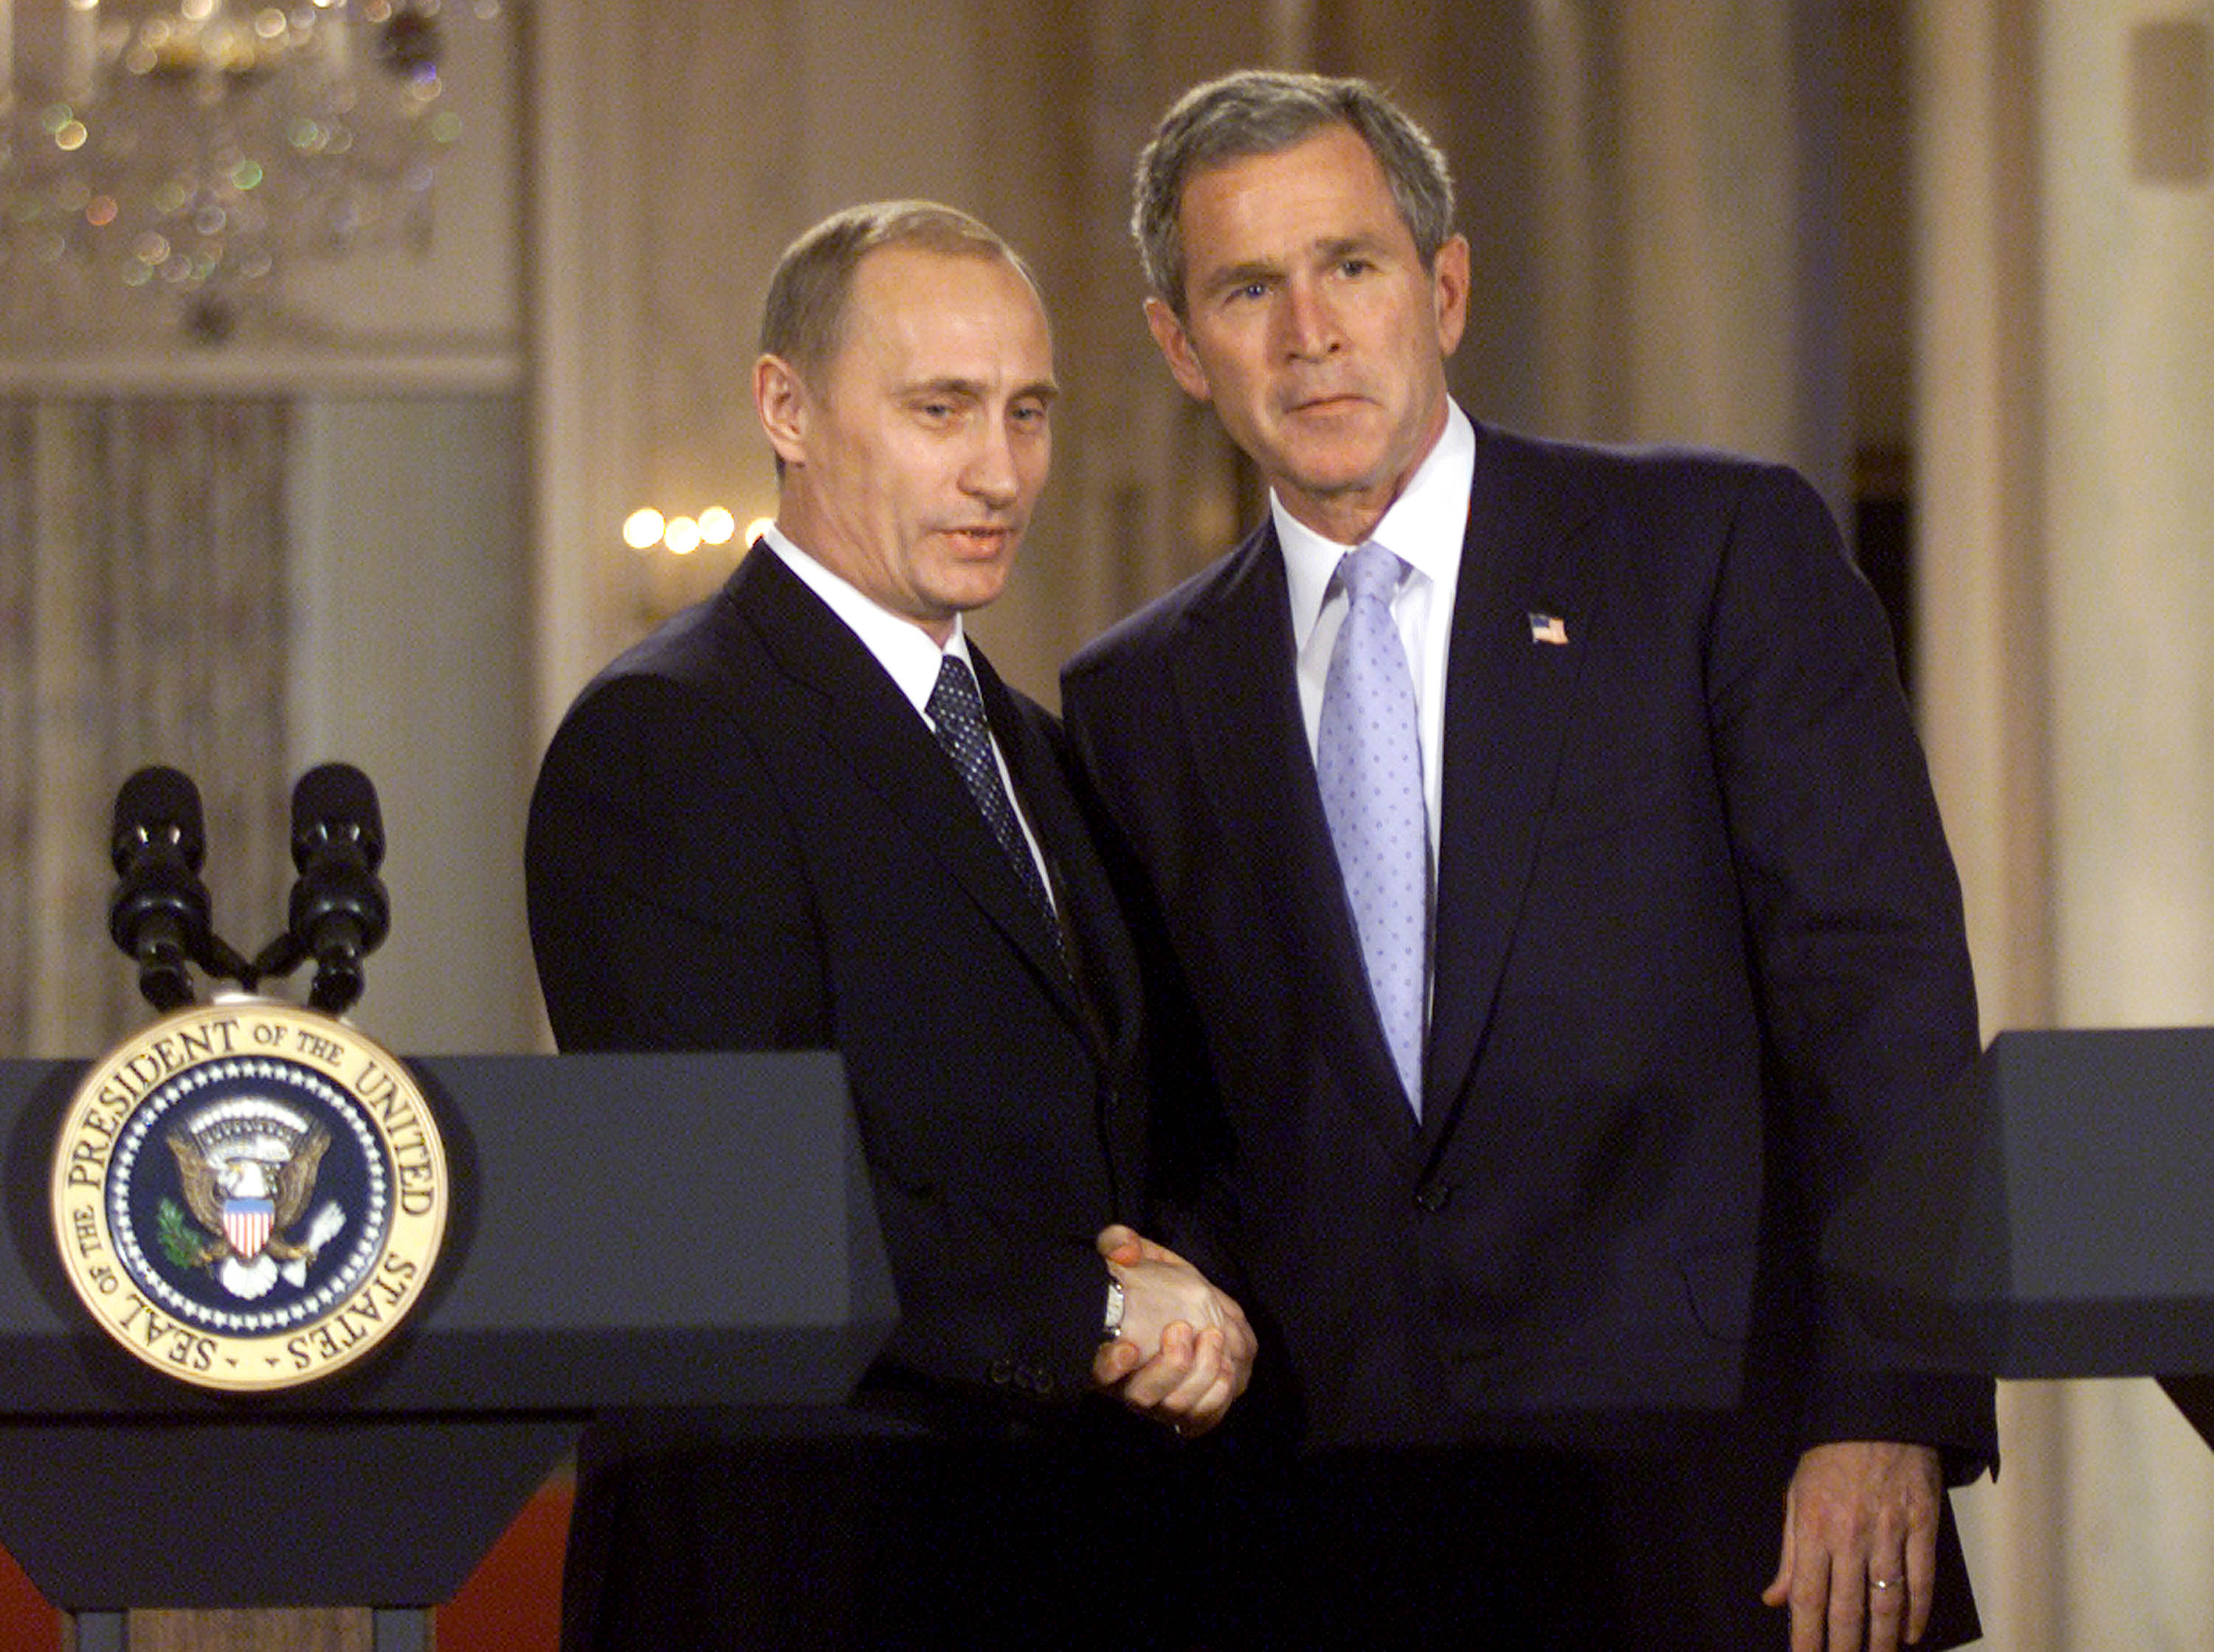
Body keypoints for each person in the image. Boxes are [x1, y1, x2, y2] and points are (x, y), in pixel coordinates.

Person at [1059, 70, 1997, 1651]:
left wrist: (1884, 1409)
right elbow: (1188, 1115)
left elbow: (1881, 1002)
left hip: (1729, 1503)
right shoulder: (1135, 696)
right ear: (1178, 346)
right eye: (1246, 288)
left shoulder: (1713, 552)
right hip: (1324, 1527)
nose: (1311, 332)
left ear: (1446, 286)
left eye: (1351, 266)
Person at [527, 199, 1253, 1650]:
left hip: (1060, 1552)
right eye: (940, 410)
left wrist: (1195, 1301)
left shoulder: (1040, 750)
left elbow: (1112, 1120)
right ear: (784, 407)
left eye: (1028, 411)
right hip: (793, 1567)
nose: (1000, 471)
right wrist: (1101, 1319)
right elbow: (720, 1198)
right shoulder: (670, 730)